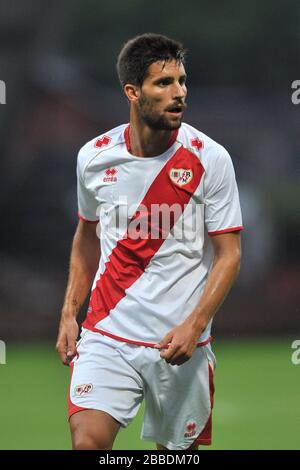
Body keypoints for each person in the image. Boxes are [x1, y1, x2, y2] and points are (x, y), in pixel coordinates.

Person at [56, 33, 243, 451]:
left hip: (180, 344)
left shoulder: (209, 158)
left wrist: (194, 326)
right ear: (132, 92)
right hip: (107, 335)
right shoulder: (94, 157)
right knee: (87, 444)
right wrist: (70, 312)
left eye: (182, 81)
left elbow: (230, 255)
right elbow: (87, 235)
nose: (179, 93)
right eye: (164, 83)